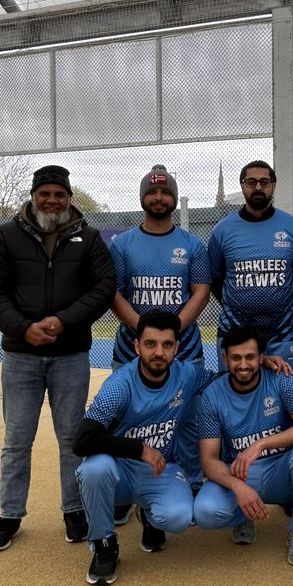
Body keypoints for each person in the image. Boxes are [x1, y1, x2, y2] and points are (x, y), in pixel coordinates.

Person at [0, 164, 116, 552]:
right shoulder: (6, 236)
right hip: (21, 356)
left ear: (68, 198)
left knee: (72, 439)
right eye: (45, 193)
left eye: (59, 194)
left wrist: (62, 321)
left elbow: (103, 288)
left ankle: (74, 510)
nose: (52, 200)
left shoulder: (88, 239)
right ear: (34, 196)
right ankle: (10, 514)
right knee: (17, 439)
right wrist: (23, 328)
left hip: (71, 354)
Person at [108, 164, 211, 518]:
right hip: (131, 349)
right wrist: (145, 333)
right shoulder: (122, 244)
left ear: (173, 197)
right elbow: (114, 293)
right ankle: (123, 492)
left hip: (184, 349)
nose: (159, 197)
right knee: (125, 420)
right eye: (152, 192)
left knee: (188, 420)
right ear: (142, 198)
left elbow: (201, 291)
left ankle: (192, 482)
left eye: (165, 192)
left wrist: (172, 332)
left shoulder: (192, 244)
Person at [73, 311, 200, 586]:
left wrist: (263, 363)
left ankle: (149, 515)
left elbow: (226, 381)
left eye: (167, 345)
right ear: (136, 346)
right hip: (119, 469)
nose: (159, 352)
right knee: (94, 469)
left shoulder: (187, 374)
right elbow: (82, 439)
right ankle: (104, 544)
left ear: (177, 348)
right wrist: (139, 448)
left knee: (179, 517)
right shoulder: (119, 386)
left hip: (160, 470)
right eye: (150, 344)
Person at [195, 325, 293, 566]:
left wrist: (261, 444)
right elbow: (209, 459)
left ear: (261, 357)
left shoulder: (280, 377)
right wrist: (237, 487)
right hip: (242, 473)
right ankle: (243, 515)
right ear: (225, 359)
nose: (243, 365)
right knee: (205, 512)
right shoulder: (213, 394)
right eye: (236, 358)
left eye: (250, 357)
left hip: (281, 470)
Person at [207, 160, 293, 375]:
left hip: (282, 329)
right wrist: (238, 304)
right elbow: (214, 279)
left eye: (264, 182)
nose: (258, 187)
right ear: (242, 186)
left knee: (284, 393)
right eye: (251, 182)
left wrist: (279, 302)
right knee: (234, 395)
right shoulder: (222, 230)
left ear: (273, 186)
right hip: (234, 328)